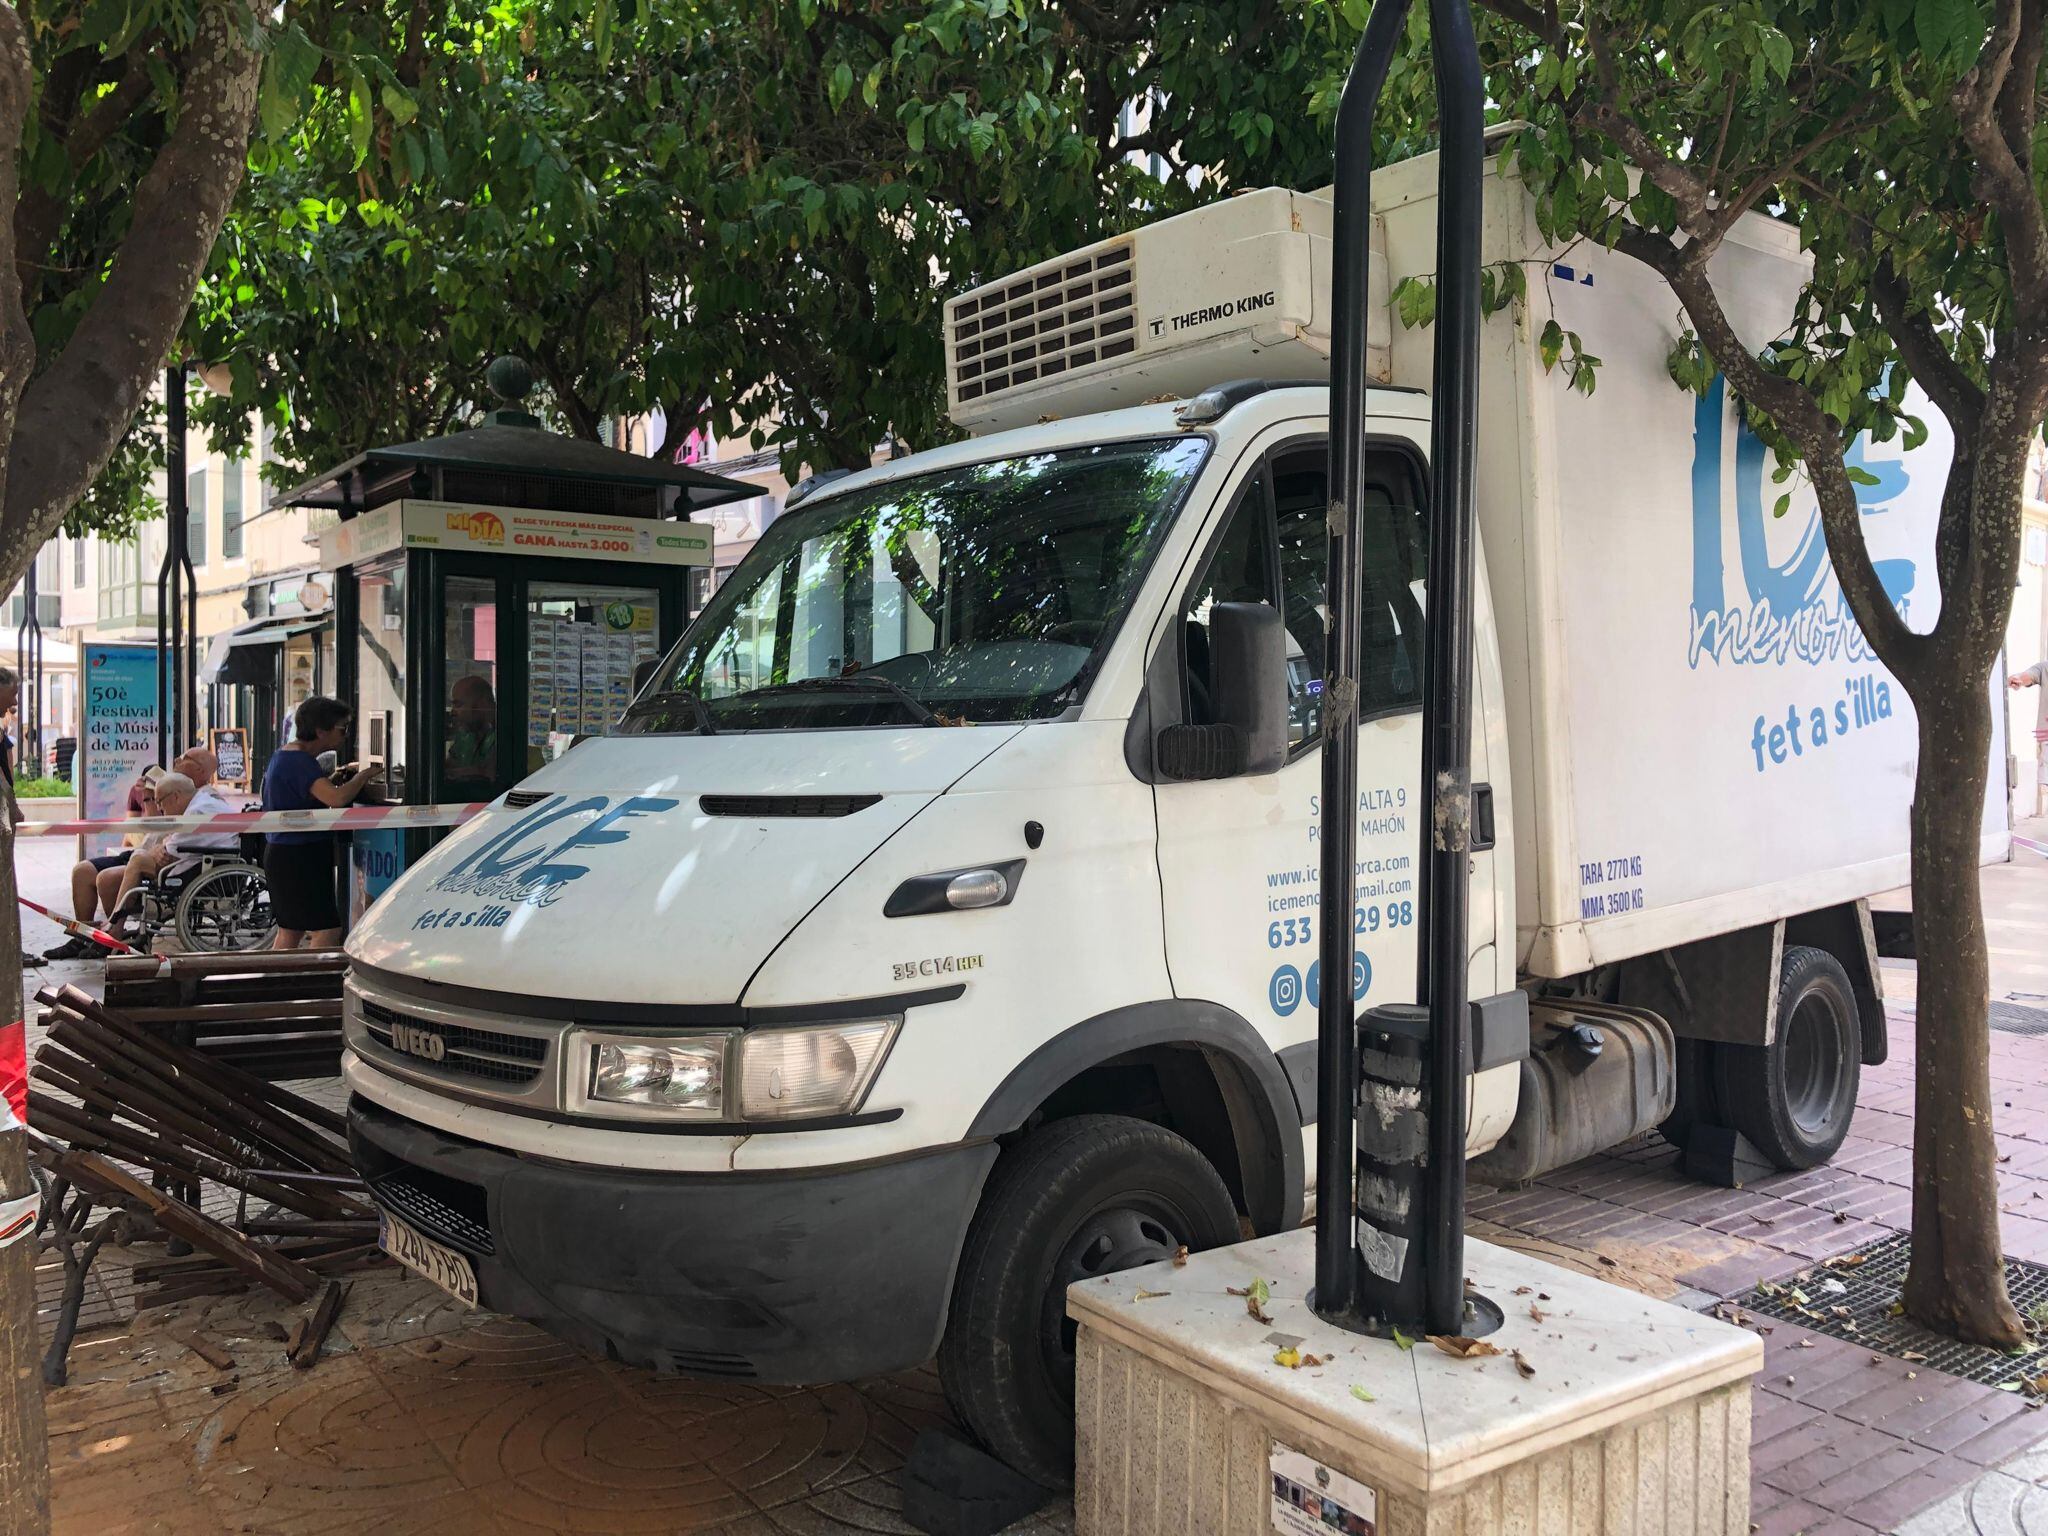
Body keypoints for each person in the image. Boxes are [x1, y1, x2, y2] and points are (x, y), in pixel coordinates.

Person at [263, 695, 380, 950]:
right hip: (300, 854)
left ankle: (277, 983)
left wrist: (336, 776)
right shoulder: (300, 762)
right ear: (320, 731)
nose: (346, 735)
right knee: (327, 929)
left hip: (284, 852)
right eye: (342, 729)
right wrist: (364, 776)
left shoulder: (284, 756)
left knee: (290, 930)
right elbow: (336, 798)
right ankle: (313, 982)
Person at [445, 674, 497, 788]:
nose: (453, 712)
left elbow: (490, 776)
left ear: (482, 704)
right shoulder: (466, 735)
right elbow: (449, 767)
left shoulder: (506, 734)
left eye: (458, 705)